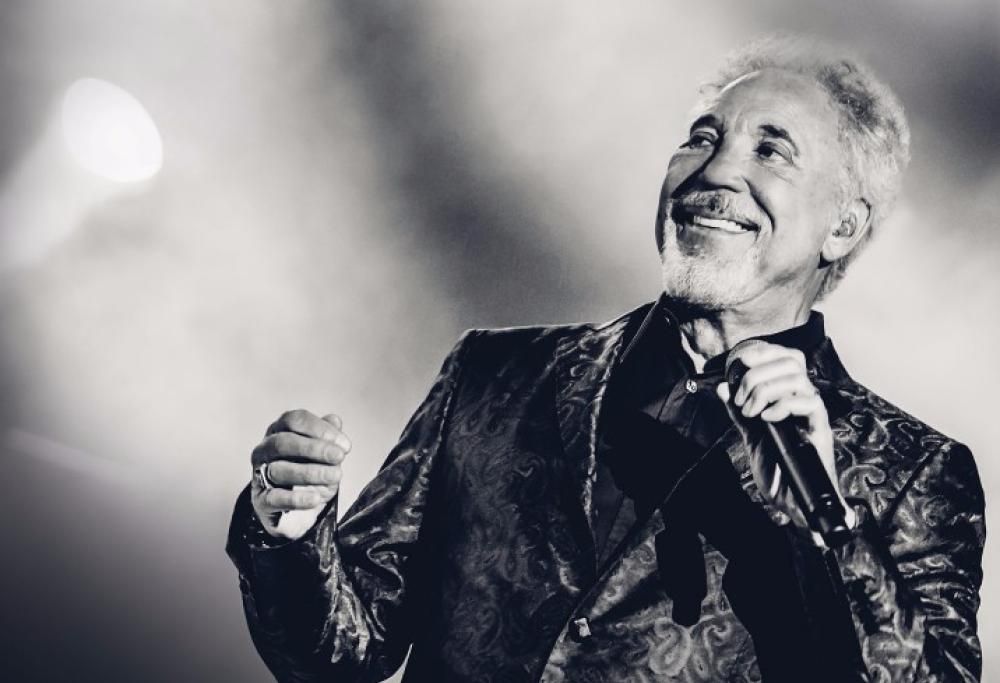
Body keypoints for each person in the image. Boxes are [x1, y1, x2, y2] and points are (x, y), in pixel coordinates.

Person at [226, 36, 985, 682]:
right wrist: (289, 525)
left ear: (843, 226)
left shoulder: (912, 471)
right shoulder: (495, 376)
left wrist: (828, 526)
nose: (715, 173)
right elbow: (342, 650)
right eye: (702, 138)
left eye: (770, 151)